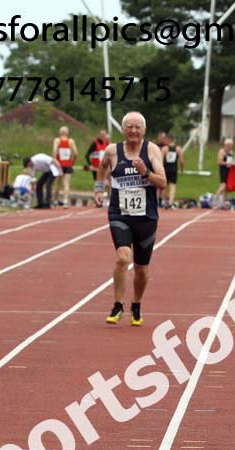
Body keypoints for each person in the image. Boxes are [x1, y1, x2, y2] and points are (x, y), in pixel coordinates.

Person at [94, 112, 166, 326]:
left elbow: (162, 182)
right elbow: (102, 168)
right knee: (123, 258)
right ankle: (117, 305)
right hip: (120, 214)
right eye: (129, 127)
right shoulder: (112, 151)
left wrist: (145, 173)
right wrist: (99, 189)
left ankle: (136, 304)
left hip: (146, 218)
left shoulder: (151, 150)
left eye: (137, 127)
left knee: (141, 268)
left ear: (144, 130)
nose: (133, 130)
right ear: (123, 130)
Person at [52, 126, 79, 208]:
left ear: (60, 133)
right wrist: (72, 162)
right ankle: (65, 201)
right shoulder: (71, 141)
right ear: (67, 133)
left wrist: (54, 160)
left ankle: (56, 200)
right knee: (66, 184)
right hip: (68, 164)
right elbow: (76, 153)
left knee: (58, 183)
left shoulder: (57, 140)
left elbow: (54, 150)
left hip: (59, 164)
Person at [160, 133, 184, 209]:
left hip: (165, 169)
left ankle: (164, 201)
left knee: (164, 185)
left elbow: (161, 160)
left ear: (168, 140)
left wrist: (160, 169)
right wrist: (182, 169)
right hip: (173, 169)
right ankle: (170, 201)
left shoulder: (164, 149)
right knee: (173, 186)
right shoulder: (178, 149)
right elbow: (181, 161)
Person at [215, 138, 235, 209]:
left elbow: (231, 161)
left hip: (229, 170)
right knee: (222, 186)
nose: (231, 146)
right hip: (223, 170)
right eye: (230, 145)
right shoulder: (222, 151)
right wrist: (228, 163)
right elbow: (219, 162)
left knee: (226, 188)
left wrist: (233, 164)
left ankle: (224, 203)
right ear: (226, 145)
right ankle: (216, 201)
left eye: (232, 145)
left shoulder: (231, 152)